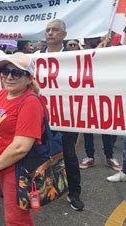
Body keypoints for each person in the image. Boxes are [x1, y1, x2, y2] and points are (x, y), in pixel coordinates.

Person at [0, 52, 43, 225]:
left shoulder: (29, 103)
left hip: (16, 170)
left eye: (16, 73)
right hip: (3, 166)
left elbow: (21, 147)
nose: (9, 76)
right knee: (19, 214)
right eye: (5, 71)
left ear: (29, 78)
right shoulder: (3, 93)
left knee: (15, 218)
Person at [43, 19, 84, 211]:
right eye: (48, 30)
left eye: (55, 30)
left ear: (64, 35)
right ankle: (46, 187)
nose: (50, 33)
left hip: (67, 115)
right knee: (42, 153)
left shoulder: (73, 57)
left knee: (68, 154)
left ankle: (74, 192)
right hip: (42, 115)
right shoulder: (36, 57)